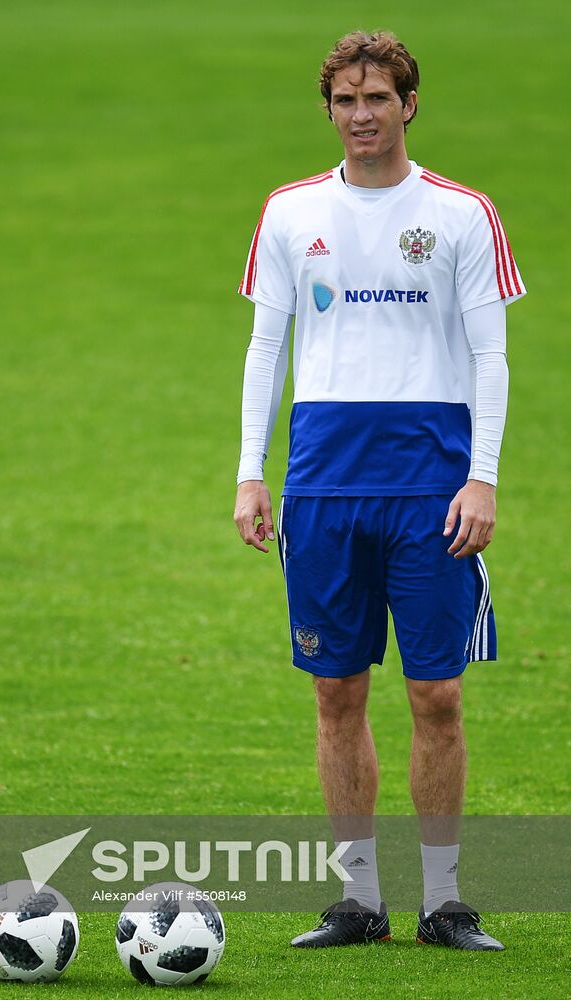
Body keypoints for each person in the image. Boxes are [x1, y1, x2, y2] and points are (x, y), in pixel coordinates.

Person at [233, 30, 525, 951]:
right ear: (329, 110)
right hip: (321, 484)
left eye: (378, 98)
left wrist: (481, 477)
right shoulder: (287, 211)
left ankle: (445, 904)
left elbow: (490, 354)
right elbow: (264, 349)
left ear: (408, 104)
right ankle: (357, 902)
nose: (362, 115)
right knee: (335, 694)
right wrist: (251, 470)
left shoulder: (460, 213)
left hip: (429, 486)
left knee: (435, 695)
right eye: (345, 100)